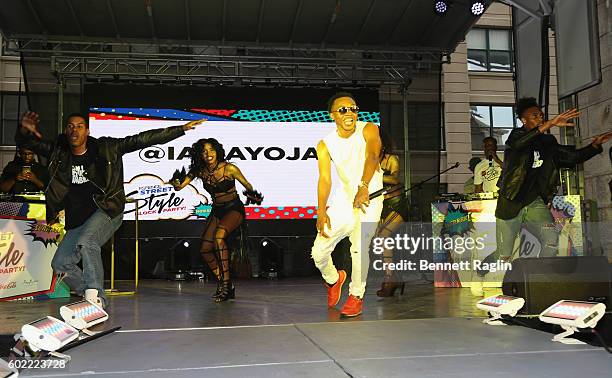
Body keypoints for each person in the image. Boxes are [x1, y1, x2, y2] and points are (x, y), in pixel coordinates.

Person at [16, 111, 203, 308]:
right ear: (66, 131)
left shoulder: (107, 148)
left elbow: (142, 140)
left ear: (87, 131)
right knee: (61, 264)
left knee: (87, 242)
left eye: (79, 126)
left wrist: (179, 129)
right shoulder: (58, 151)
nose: (74, 130)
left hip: (106, 210)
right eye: (70, 126)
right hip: (77, 218)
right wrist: (23, 129)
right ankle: (87, 292)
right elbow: (27, 142)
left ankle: (95, 298)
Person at [482, 97, 609, 267]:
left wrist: (594, 146)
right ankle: (480, 270)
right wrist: (549, 125)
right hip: (511, 201)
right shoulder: (516, 136)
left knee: (551, 240)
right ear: (523, 120)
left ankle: (538, 278)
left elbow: (573, 157)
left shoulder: (548, 142)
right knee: (503, 254)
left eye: (541, 115)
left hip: (535, 202)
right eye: (535, 115)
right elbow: (519, 144)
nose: (540, 118)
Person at [311, 92, 384, 317]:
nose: (350, 113)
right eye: (343, 110)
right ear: (333, 115)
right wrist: (321, 211)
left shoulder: (368, 128)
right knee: (318, 251)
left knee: (359, 246)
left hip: (371, 194)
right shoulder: (325, 144)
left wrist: (364, 186)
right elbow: (324, 179)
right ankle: (334, 280)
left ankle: (356, 295)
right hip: (345, 197)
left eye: (353, 108)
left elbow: (373, 155)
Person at [172, 138, 261, 302]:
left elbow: (247, 185)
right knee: (205, 249)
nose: (208, 154)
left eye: (211, 150)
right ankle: (225, 282)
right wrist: (176, 182)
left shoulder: (230, 168)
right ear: (200, 154)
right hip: (217, 210)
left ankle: (226, 287)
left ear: (217, 151)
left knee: (219, 238)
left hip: (234, 208)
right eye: (204, 151)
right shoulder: (199, 171)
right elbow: (179, 186)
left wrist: (252, 195)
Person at [374, 128, 409, 297]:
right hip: (381, 204)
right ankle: (394, 278)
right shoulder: (368, 160)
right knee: (381, 242)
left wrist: (374, 176)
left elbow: (394, 179)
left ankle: (390, 278)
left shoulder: (391, 159)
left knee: (384, 237)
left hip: (397, 202)